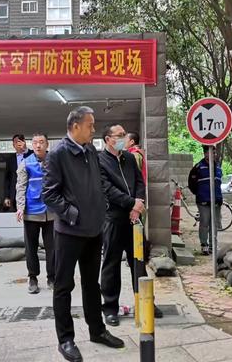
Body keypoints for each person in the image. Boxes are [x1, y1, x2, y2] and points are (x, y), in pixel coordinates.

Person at [42, 106, 125, 362]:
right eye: (90, 125)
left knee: (92, 284)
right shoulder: (57, 154)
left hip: (94, 229)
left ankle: (97, 330)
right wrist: (73, 214)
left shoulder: (90, 149)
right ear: (75, 126)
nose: (93, 129)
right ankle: (65, 339)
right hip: (69, 232)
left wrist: (101, 209)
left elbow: (97, 183)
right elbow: (49, 195)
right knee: (64, 286)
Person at [99, 124, 146, 326]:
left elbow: (139, 182)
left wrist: (138, 204)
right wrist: (130, 203)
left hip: (134, 218)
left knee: (139, 261)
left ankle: (145, 301)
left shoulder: (128, 158)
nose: (123, 138)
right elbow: (106, 189)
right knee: (111, 263)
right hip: (113, 218)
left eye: (124, 135)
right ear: (108, 139)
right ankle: (110, 307)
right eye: (119, 135)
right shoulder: (99, 161)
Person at [16, 132, 55, 294]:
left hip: (51, 212)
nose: (38, 145)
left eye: (41, 142)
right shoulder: (26, 164)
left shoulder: (54, 162)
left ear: (47, 145)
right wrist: (20, 207)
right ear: (32, 145)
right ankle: (33, 278)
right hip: (31, 211)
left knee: (52, 247)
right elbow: (21, 187)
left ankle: (52, 277)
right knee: (31, 248)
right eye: (35, 142)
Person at [188, 145, 223, 255]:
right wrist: (199, 193)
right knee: (204, 222)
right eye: (210, 152)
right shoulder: (198, 167)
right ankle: (204, 245)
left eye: (214, 153)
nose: (213, 155)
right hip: (203, 201)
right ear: (205, 154)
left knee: (214, 224)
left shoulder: (218, 167)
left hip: (216, 200)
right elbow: (191, 183)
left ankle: (213, 245)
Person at [3, 134, 33, 211]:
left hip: (31, 191)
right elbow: (7, 179)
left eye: (21, 141)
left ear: (25, 142)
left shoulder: (32, 154)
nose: (18, 144)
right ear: (13, 145)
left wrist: (25, 149)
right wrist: (7, 196)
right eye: (16, 142)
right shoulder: (10, 159)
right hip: (15, 194)